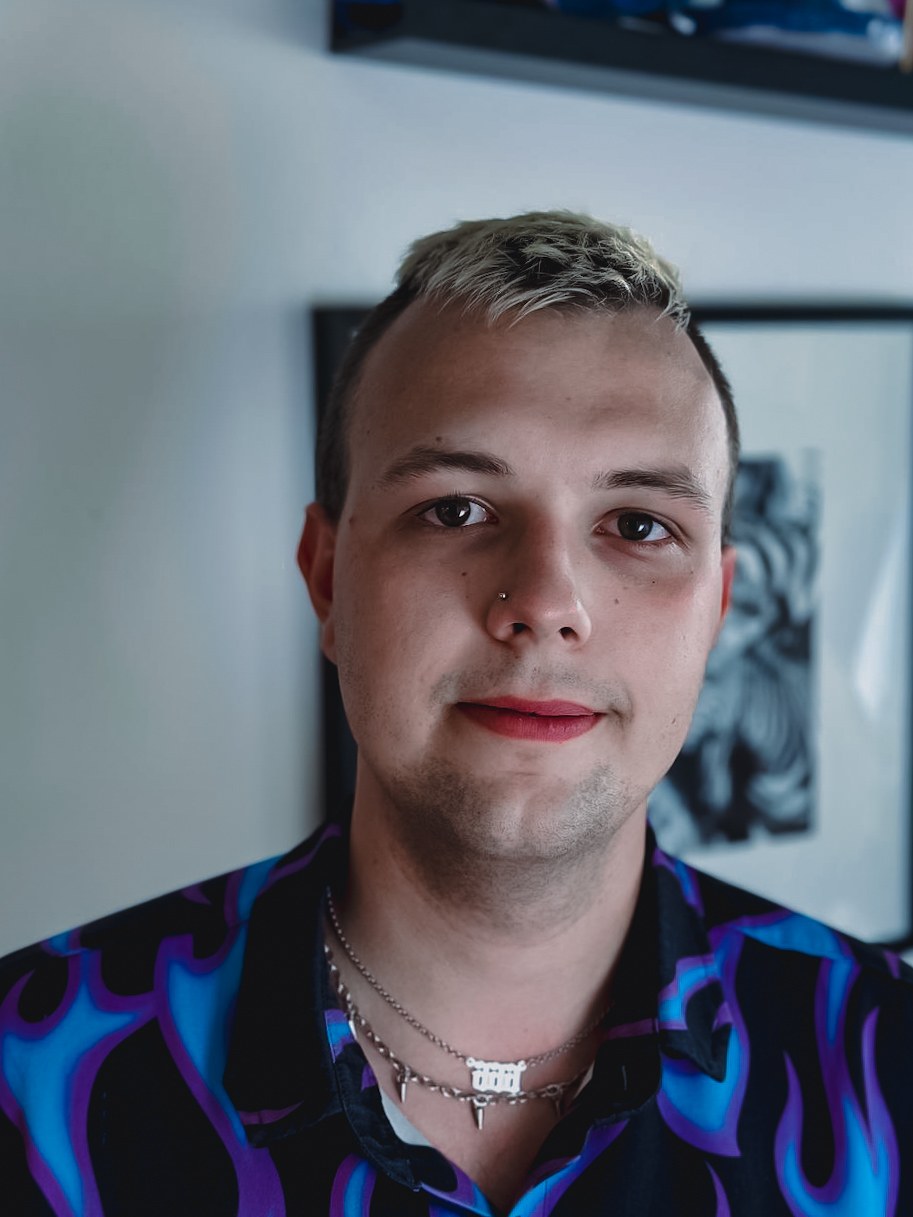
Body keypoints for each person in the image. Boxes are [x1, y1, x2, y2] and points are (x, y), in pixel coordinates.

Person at [2, 211, 910, 1216]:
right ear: (327, 578)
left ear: (718, 611)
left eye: (638, 524)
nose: (545, 603)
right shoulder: (26, 1077)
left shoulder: (887, 1065)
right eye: (455, 509)